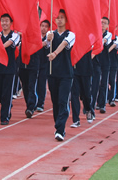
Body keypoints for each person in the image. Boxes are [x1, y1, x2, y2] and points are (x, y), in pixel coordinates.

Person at [46, 9, 76, 141]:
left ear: (66, 20)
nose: (59, 20)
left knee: (63, 101)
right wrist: (47, 39)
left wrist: (55, 54)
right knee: (55, 101)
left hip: (66, 74)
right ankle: (58, 124)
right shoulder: (50, 34)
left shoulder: (71, 34)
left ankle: (60, 129)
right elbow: (44, 45)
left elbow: (64, 44)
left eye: (62, 18)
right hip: (52, 73)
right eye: (57, 18)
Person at [0, 13, 20, 125]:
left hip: (9, 69)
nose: (4, 23)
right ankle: (7, 104)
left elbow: (9, 43)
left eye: (6, 21)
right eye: (2, 21)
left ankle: (5, 116)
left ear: (11, 23)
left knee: (7, 93)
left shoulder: (15, 35)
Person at [18, 34, 41, 119]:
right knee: (25, 86)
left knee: (31, 86)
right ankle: (29, 104)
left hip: (33, 64)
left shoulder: (35, 35)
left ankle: (31, 107)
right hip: (22, 64)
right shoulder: (21, 35)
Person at [70, 51, 93, 128]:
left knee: (86, 95)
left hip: (86, 69)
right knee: (74, 95)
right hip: (74, 69)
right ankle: (76, 120)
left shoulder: (88, 40)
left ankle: (88, 109)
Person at [96, 17, 112, 113]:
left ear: (107, 26)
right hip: (96, 62)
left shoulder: (108, 35)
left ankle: (102, 105)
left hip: (105, 62)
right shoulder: (95, 34)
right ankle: (96, 101)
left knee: (104, 83)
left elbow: (104, 41)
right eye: (101, 22)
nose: (102, 24)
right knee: (95, 83)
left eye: (105, 23)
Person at [36, 20, 51, 113]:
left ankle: (40, 103)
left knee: (41, 84)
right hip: (35, 63)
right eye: (42, 26)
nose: (43, 28)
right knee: (33, 84)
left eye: (46, 26)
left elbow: (47, 44)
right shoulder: (36, 37)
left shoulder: (49, 38)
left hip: (44, 64)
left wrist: (47, 41)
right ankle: (33, 102)